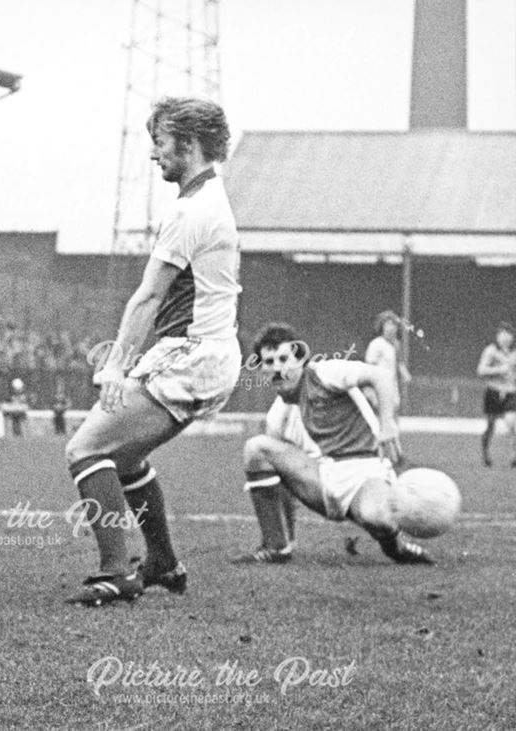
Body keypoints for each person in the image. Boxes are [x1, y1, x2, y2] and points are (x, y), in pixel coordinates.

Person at [64, 96, 241, 605]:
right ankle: (162, 562)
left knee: (85, 449)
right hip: (206, 356)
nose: (153, 154)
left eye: (160, 142)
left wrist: (116, 367)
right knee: (127, 456)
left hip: (190, 356)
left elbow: (148, 296)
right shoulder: (211, 200)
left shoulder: (192, 210)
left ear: (187, 144)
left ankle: (116, 572)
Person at [238, 323, 433, 565]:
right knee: (257, 448)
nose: (277, 368)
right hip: (323, 478)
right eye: (268, 362)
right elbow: (277, 483)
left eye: (284, 358)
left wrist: (387, 426)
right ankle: (277, 546)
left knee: (378, 518)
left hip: (364, 470)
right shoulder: (278, 415)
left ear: (300, 360)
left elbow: (380, 375)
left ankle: (397, 549)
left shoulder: (325, 373)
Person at [476, 322, 516, 467]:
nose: (505, 337)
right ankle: (485, 453)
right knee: (490, 426)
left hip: (511, 392)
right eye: (502, 334)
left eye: (508, 334)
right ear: (498, 336)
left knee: (512, 423)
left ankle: (514, 456)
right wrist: (499, 370)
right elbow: (481, 370)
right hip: (493, 392)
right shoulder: (491, 351)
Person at [364, 310, 411, 415]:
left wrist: (405, 375)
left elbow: (399, 363)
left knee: (393, 419)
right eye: (388, 324)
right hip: (379, 389)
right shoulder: (376, 344)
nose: (391, 328)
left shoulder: (396, 345)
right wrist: (371, 391)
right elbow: (369, 368)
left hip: (392, 388)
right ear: (382, 326)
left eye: (393, 325)